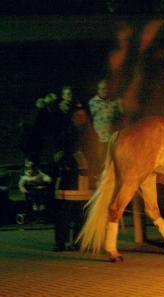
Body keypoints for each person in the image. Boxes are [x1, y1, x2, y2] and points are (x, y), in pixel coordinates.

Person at [52, 87, 94, 251]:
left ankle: (79, 241)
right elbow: (59, 152)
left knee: (81, 213)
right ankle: (60, 242)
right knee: (63, 213)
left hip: (84, 178)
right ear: (72, 117)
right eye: (77, 115)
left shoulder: (90, 133)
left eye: (83, 114)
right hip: (68, 178)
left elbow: (95, 153)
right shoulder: (65, 132)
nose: (80, 117)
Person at [88, 79, 123, 171]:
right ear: (98, 90)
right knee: (99, 164)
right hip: (99, 139)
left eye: (106, 89)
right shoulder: (93, 102)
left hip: (110, 139)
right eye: (102, 89)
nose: (105, 91)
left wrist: (120, 106)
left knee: (110, 164)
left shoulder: (112, 103)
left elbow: (120, 115)